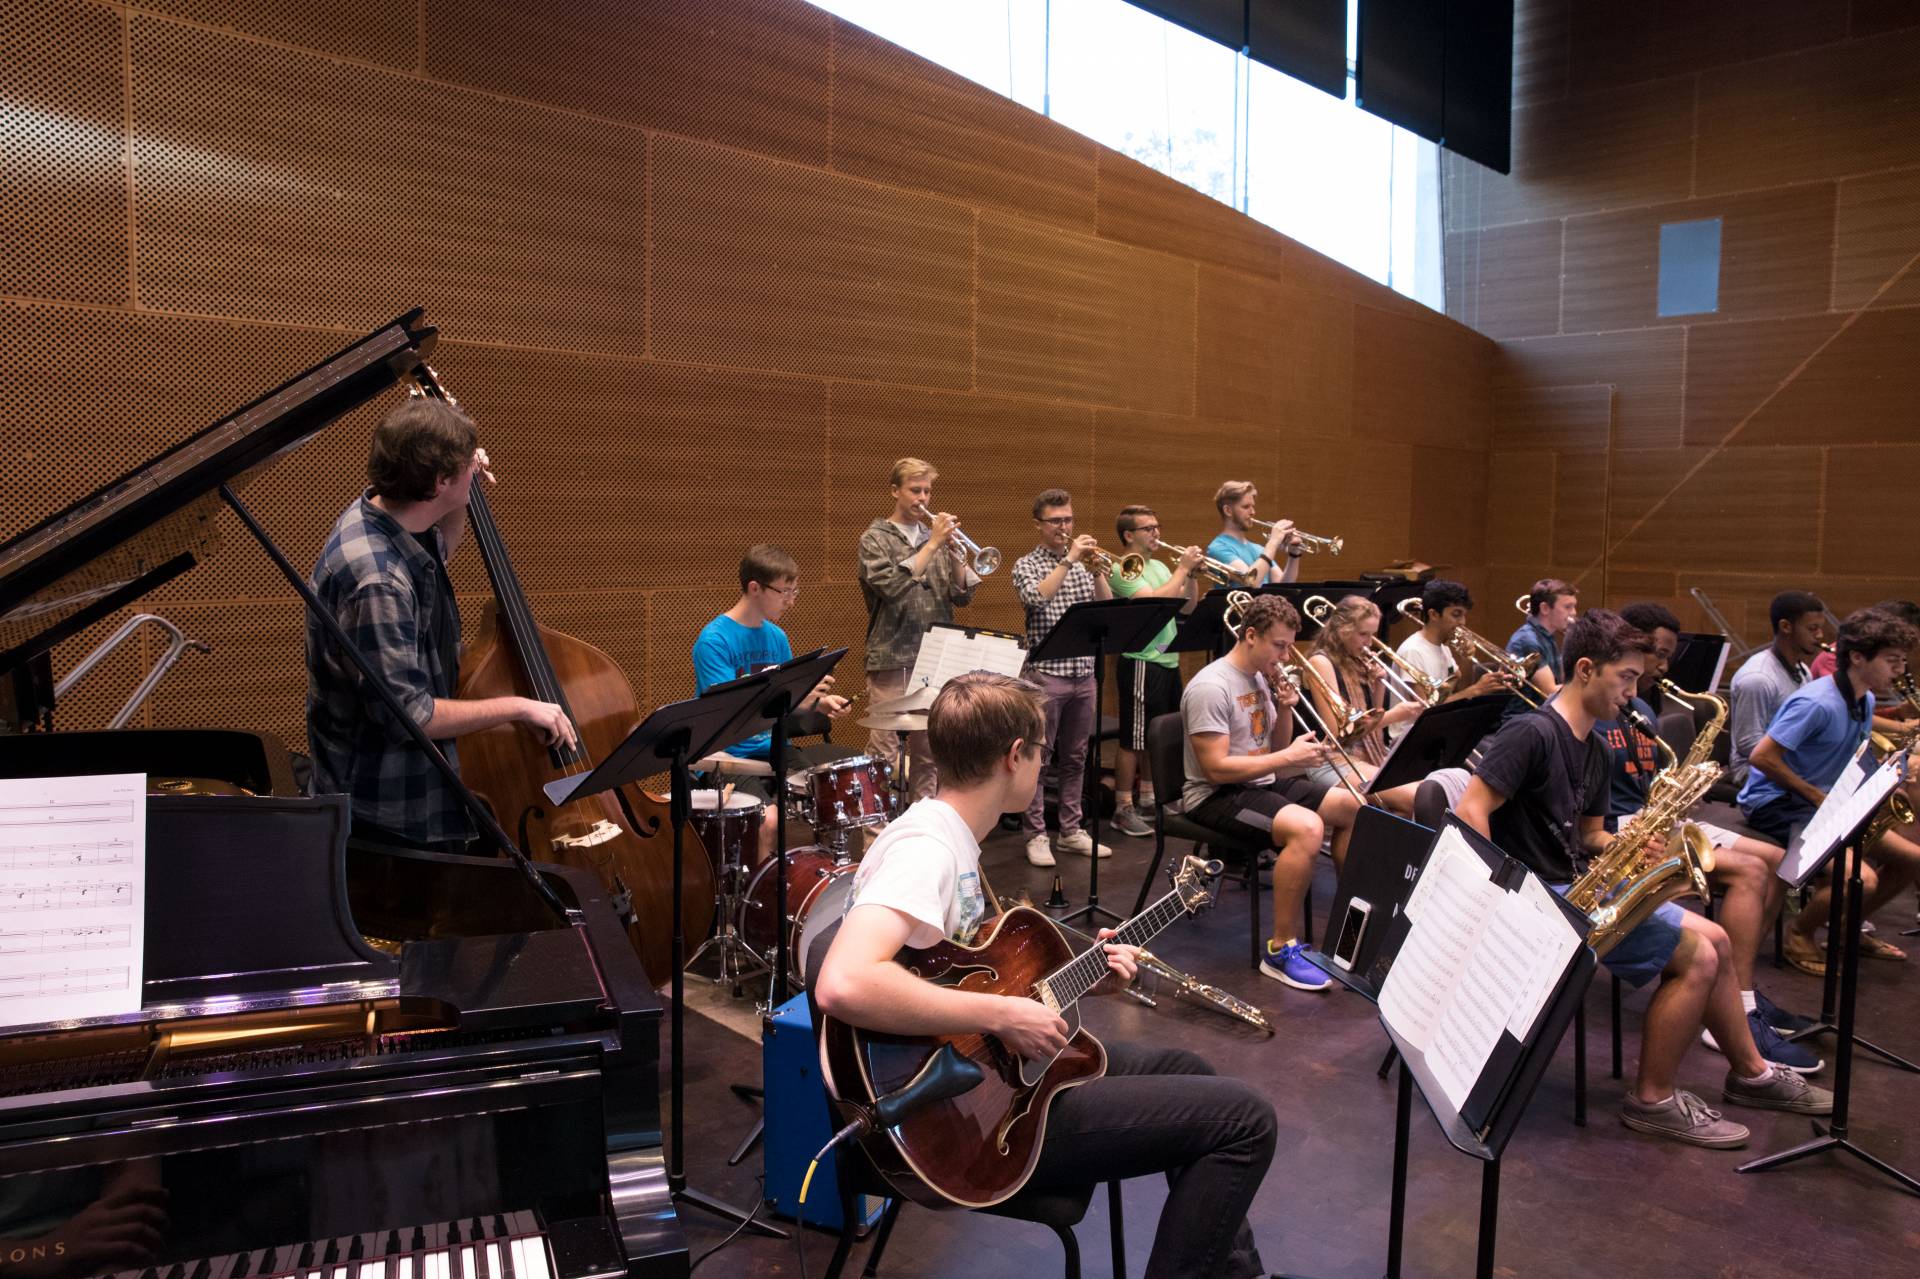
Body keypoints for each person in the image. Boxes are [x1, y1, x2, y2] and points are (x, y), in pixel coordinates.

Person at [814, 672, 1276, 1279]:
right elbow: (844, 982)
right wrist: (1002, 1013)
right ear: (1015, 756)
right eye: (1041, 752)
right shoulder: (925, 851)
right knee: (1247, 1121)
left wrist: (1086, 976)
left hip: (980, 1079)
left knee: (1190, 1070)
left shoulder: (946, 835)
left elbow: (964, 970)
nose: (1043, 764)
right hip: (960, 1120)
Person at [1456, 610, 1831, 1148]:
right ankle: (1653, 1100)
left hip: (1578, 884)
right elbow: (1471, 811)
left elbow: (1590, 835)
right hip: (1537, 897)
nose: (1634, 693)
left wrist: (1627, 846)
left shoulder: (1595, 748)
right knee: (1698, 958)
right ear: (1586, 669)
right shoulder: (1532, 732)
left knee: (1719, 939)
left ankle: (1752, 1074)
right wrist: (1501, 897)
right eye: (1626, 677)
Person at [307, 396, 575, 850]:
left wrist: (464, 489)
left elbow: (441, 547)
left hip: (410, 794)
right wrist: (520, 707)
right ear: (439, 481)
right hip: (386, 812)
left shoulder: (387, 517)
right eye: (467, 466)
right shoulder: (377, 581)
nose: (477, 466)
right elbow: (410, 715)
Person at [1601, 603, 1816, 1070]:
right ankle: (1737, 1008)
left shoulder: (1641, 711)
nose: (1664, 667)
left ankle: (1739, 987)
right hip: (1622, 829)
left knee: (1775, 859)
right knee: (1748, 872)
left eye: (1666, 656)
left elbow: (1647, 781)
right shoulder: (1599, 709)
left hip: (1657, 818)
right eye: (1656, 655)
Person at [1178, 594, 1366, 991]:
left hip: (1258, 782)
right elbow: (1215, 768)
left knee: (1354, 805)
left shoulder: (1260, 677)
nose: (1285, 656)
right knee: (1308, 828)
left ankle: (1349, 922)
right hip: (1215, 794)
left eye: (1289, 646)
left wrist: (1286, 710)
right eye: (1279, 646)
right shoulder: (1211, 686)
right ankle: (1281, 949)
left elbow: (1273, 749)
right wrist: (1288, 757)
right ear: (1251, 635)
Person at [1740, 607, 1918, 974]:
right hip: (1778, 804)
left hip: (1825, 803)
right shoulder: (1817, 702)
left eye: (1902, 661)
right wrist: (1816, 796)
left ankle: (1846, 931)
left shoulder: (1864, 699)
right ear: (1858, 657)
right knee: (1860, 881)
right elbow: (1762, 757)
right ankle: (1799, 934)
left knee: (1913, 860)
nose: (1899, 670)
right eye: (1892, 661)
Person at [693, 544, 851, 858]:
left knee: (830, 801)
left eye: (794, 592)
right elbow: (731, 713)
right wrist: (793, 697)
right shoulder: (714, 640)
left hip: (775, 748)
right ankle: (763, 890)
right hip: (728, 755)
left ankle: (819, 880)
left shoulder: (777, 637)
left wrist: (816, 703)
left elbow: (783, 703)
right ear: (755, 588)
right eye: (784, 592)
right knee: (768, 821)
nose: (791, 601)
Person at [857, 457, 981, 805]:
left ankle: (922, 825)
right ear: (894, 491)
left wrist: (956, 558)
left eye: (927, 491)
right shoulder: (875, 538)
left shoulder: (935, 540)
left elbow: (962, 596)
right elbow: (892, 587)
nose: (923, 498)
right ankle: (876, 833)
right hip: (892, 655)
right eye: (915, 490)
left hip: (935, 659)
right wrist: (933, 545)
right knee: (883, 755)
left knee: (929, 755)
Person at [1011, 489, 1113, 867]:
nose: (1064, 526)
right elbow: (1036, 599)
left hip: (1083, 673)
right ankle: (1036, 834)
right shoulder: (1027, 564)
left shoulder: (1085, 564)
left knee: (1076, 756)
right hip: (1046, 675)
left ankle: (1071, 831)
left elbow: (1106, 607)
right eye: (1056, 521)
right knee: (1038, 758)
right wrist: (1069, 561)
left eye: (1068, 519)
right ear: (1038, 524)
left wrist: (1098, 571)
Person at [1107, 505, 1204, 837]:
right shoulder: (1123, 568)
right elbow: (1152, 603)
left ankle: (1148, 798)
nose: (1156, 533)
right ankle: (1123, 807)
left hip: (1166, 659)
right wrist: (1183, 568)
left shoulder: (1161, 566)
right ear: (1128, 535)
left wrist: (1191, 576)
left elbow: (1187, 607)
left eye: (1157, 526)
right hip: (1140, 661)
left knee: (1155, 736)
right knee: (1132, 740)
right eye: (1148, 528)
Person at [1302, 595, 1421, 830]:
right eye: (1363, 634)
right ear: (1343, 630)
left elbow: (1371, 717)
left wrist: (1377, 685)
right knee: (1413, 797)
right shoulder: (1321, 662)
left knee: (1422, 794)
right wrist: (1395, 716)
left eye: (1372, 635)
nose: (1369, 643)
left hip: (1364, 751)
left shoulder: (1357, 659)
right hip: (1332, 759)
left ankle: (1375, 847)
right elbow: (1338, 731)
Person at [1727, 590, 1826, 789]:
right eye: (1812, 629)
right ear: (1786, 626)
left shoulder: (1802, 670)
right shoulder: (1757, 678)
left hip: (1787, 760)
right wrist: (1808, 760)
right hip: (1752, 771)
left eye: (1820, 628)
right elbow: (1748, 744)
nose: (1820, 635)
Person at [1394, 579, 1510, 705]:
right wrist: (1476, 690)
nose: (1463, 622)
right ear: (1433, 614)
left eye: (1464, 615)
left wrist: (1466, 659)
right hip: (1421, 718)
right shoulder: (1412, 651)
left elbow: (1461, 690)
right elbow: (1425, 708)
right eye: (1456, 614)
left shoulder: (1443, 647)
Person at [1503, 577, 1577, 719]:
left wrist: (1574, 643)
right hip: (1523, 720)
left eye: (1574, 606)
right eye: (1568, 607)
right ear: (1545, 608)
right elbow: (1550, 693)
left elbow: (1563, 680)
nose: (1573, 612)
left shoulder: (1547, 636)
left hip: (1542, 716)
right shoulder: (1528, 640)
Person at [1206, 480, 1301, 586]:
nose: (1253, 512)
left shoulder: (1259, 549)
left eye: (1253, 506)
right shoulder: (1218, 548)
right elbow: (1251, 582)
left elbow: (1283, 587)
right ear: (1228, 510)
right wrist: (1273, 542)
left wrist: (1294, 555)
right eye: (1246, 507)